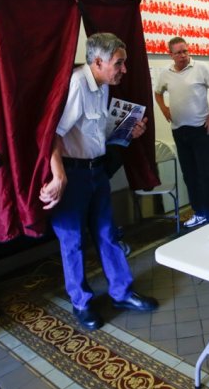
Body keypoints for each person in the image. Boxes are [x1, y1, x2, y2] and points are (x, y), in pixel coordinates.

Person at [39, 32, 158, 331]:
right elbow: (52, 133)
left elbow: (95, 132)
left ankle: (121, 292)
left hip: (96, 171)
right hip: (73, 174)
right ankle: (81, 302)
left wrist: (128, 131)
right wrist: (59, 174)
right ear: (98, 61)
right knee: (73, 241)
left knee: (107, 234)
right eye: (119, 63)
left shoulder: (102, 86)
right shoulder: (78, 83)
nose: (124, 70)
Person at [154, 37, 209, 228]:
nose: (183, 55)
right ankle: (199, 212)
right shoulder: (165, 73)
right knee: (190, 174)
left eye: (185, 51)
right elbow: (158, 92)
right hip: (179, 130)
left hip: (201, 130)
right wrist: (164, 109)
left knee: (206, 174)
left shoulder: (200, 68)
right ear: (170, 54)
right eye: (178, 52)